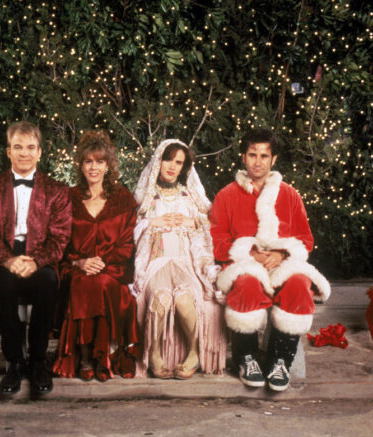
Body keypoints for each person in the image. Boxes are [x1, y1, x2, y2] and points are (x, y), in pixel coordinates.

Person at [210, 128, 330, 391]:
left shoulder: (289, 195)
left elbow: (305, 239)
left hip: (282, 264)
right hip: (244, 263)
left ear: (273, 159)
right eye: (252, 155)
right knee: (246, 285)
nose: (258, 162)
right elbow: (216, 240)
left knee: (299, 284)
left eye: (264, 156)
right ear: (243, 157)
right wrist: (249, 253)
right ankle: (246, 358)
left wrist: (282, 253)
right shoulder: (226, 195)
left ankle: (280, 360)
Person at [0, 121, 71, 396]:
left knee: (48, 282)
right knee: (1, 284)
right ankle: (14, 361)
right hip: (3, 258)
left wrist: (36, 262)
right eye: (18, 147)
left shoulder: (57, 190)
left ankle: (38, 360)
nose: (24, 153)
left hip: (40, 258)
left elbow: (60, 237)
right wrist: (8, 260)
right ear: (8, 152)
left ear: (40, 152)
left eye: (30, 147)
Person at [133, 139, 226, 379]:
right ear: (159, 161)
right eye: (168, 159)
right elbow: (130, 228)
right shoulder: (146, 198)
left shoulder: (189, 197)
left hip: (185, 261)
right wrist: (151, 223)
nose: (172, 166)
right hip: (157, 261)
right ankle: (154, 353)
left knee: (185, 300)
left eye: (178, 162)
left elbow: (211, 224)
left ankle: (194, 352)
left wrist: (192, 222)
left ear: (184, 167)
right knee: (161, 298)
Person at [52, 131, 139, 382]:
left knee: (98, 282)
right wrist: (78, 262)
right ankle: (86, 356)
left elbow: (127, 244)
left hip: (113, 270)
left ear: (108, 165)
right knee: (82, 281)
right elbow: (58, 240)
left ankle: (100, 357)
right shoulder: (68, 198)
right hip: (75, 268)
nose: (94, 167)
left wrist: (101, 263)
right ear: (81, 165)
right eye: (88, 161)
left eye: (100, 161)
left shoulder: (123, 199)